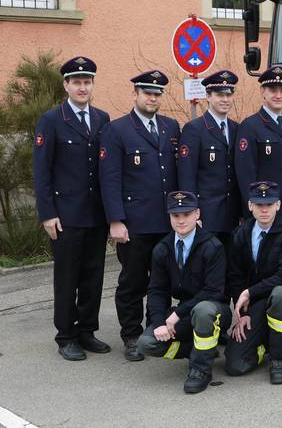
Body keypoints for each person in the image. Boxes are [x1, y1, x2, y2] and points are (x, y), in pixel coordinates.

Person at [33, 56, 111, 361]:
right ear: (66, 85)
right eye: (77, 82)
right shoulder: (52, 120)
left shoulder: (102, 118)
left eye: (87, 82)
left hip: (96, 214)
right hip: (65, 215)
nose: (82, 87)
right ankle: (66, 336)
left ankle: (87, 331)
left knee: (93, 276)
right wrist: (47, 213)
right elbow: (42, 171)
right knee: (67, 278)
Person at [99, 70, 180, 361]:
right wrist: (115, 220)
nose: (152, 98)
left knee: (162, 280)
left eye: (157, 94)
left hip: (167, 221)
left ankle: (155, 329)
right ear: (135, 94)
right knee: (133, 281)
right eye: (147, 93)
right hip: (134, 223)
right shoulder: (117, 130)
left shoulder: (171, 127)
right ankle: (131, 334)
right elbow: (109, 179)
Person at [136, 191, 231, 394]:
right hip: (185, 312)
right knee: (146, 343)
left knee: (203, 310)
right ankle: (197, 349)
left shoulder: (213, 246)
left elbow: (213, 291)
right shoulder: (162, 249)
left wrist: (176, 314)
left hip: (214, 310)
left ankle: (200, 371)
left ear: (197, 214)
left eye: (186, 214)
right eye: (176, 215)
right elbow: (156, 290)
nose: (181, 220)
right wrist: (160, 322)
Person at [225, 181, 282, 384]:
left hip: (281, 301)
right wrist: (242, 314)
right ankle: (266, 343)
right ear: (250, 206)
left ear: (278, 205)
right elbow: (235, 276)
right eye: (259, 204)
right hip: (255, 304)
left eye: (269, 204)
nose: (264, 209)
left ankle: (279, 358)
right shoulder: (240, 234)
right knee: (235, 365)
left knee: (281, 294)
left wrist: (249, 292)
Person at [234, 66, 282, 233]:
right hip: (267, 209)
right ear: (263, 92)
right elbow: (246, 173)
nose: (278, 95)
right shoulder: (250, 126)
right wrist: (252, 207)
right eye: (273, 90)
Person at [177, 70, 241, 245]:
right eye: (220, 95)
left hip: (233, 215)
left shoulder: (236, 128)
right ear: (208, 96)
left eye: (229, 95)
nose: (225, 99)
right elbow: (187, 175)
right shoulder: (194, 129)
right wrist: (191, 212)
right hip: (207, 215)